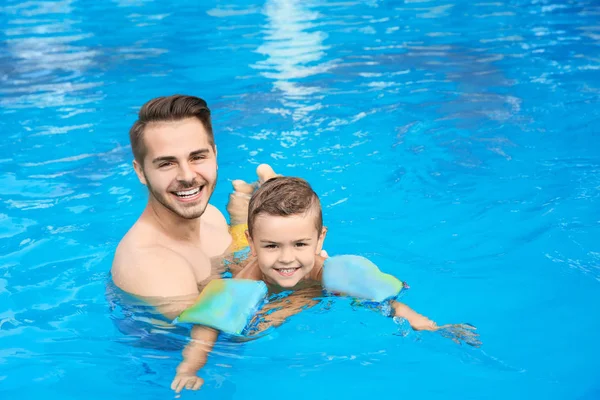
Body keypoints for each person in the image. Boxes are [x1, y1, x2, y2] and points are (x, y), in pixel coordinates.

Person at [171, 176, 480, 393]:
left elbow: (386, 304)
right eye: (271, 247)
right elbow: (207, 328)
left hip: (294, 258)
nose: (286, 259)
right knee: (237, 230)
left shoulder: (327, 273)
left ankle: (267, 182)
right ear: (256, 245)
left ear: (320, 239)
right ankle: (242, 196)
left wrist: (430, 326)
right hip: (241, 253)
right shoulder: (246, 277)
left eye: (301, 245)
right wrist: (190, 367)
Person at [108, 94, 280, 392]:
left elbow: (232, 265)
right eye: (166, 163)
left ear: (214, 154)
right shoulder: (149, 263)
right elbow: (228, 334)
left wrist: (253, 228)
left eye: (198, 157)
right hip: (170, 379)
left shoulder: (210, 215)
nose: (188, 177)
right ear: (140, 172)